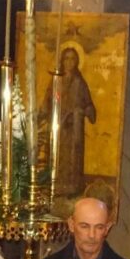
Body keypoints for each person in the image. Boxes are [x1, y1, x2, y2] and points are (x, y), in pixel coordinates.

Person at [46, 47, 96, 197]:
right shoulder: (56, 81)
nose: (69, 62)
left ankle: (73, 188)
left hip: (74, 130)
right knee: (57, 156)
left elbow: (89, 104)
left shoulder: (80, 83)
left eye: (72, 59)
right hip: (58, 128)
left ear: (77, 62)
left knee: (73, 157)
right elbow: (47, 103)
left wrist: (82, 111)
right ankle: (55, 186)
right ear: (62, 61)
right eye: (66, 58)